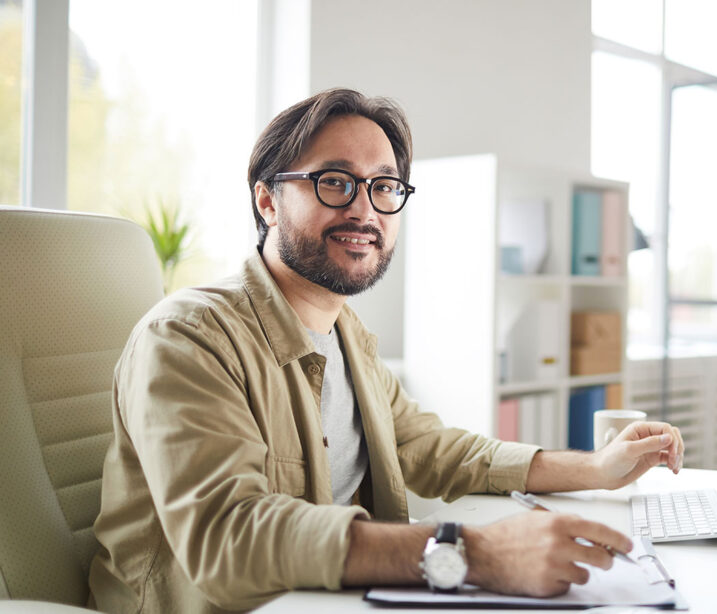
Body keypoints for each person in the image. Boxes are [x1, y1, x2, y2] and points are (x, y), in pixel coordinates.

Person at [88, 87, 685, 613]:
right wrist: (471, 552)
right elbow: (227, 536)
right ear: (267, 201)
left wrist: (593, 467)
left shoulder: (349, 334)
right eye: (335, 181)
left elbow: (428, 447)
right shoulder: (189, 338)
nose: (364, 209)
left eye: (383, 187)